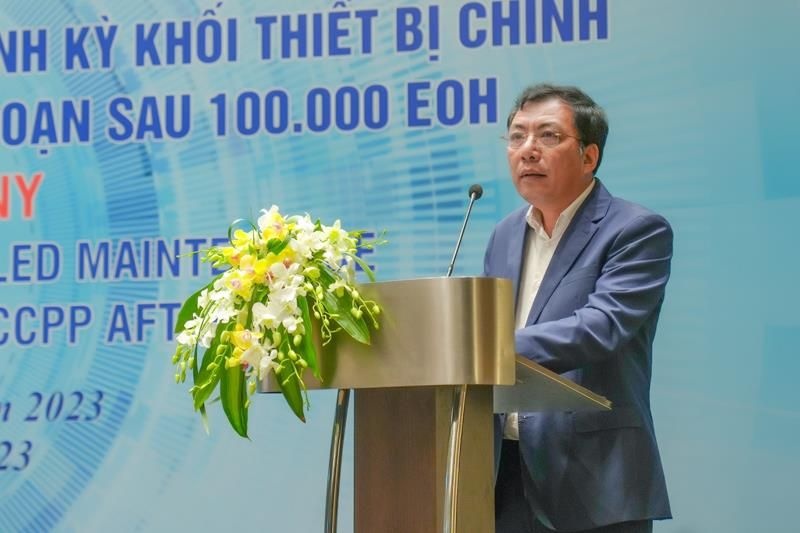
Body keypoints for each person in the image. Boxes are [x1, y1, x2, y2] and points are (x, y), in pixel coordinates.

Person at [484, 83, 673, 533]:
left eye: (548, 135)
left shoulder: (636, 230)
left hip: (594, 478)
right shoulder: (504, 234)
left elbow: (600, 327)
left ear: (589, 156)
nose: (528, 149)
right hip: (503, 475)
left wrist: (487, 348)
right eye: (517, 136)